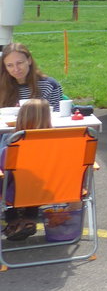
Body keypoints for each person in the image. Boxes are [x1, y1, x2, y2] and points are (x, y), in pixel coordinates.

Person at [1, 96, 52, 240]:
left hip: (14, 192)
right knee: (35, 179)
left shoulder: (12, 148)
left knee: (12, 180)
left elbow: (5, 171)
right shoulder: (58, 146)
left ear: (21, 118)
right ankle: (29, 219)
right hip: (51, 189)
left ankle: (13, 221)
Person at [0, 42, 64, 112]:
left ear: (29, 60)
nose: (16, 69)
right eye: (10, 65)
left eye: (20, 63)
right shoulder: (2, 86)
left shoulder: (48, 85)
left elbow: (57, 114)